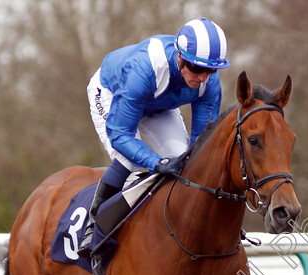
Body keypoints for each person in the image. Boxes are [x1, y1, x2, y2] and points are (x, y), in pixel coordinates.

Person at [78, 17, 230, 256]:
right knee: (131, 158)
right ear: (180, 57)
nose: (202, 77)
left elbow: (202, 143)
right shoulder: (144, 67)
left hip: (158, 104)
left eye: (210, 70)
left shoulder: (209, 83)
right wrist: (156, 163)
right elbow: (120, 135)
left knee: (185, 160)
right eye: (197, 68)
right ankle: (93, 228)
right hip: (111, 91)